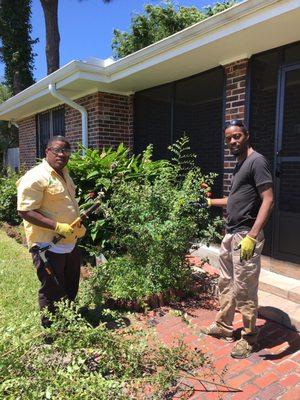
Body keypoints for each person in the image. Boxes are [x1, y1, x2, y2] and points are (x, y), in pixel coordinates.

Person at [201, 120, 274, 359]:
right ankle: (223, 326)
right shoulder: (240, 164)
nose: (233, 141)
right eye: (229, 138)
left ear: (247, 136)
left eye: (237, 136)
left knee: (244, 287)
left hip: (245, 237)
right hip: (232, 234)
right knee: (226, 282)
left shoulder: (257, 161)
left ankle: (250, 338)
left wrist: (252, 237)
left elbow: (268, 199)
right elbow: (234, 200)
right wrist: (211, 202)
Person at [17, 136, 86, 327]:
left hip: (69, 241)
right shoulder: (35, 176)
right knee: (51, 289)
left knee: (71, 284)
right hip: (48, 245)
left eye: (66, 151)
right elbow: (25, 211)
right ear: (47, 151)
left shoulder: (64, 173)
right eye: (57, 150)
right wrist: (57, 226)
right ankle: (50, 332)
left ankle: (69, 319)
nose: (62, 155)